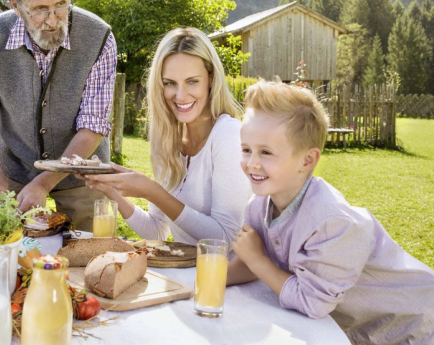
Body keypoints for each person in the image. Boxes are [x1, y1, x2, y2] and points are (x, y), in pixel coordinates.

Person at [229, 79, 434, 344]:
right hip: (359, 329)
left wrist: (256, 260)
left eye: (266, 152)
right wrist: (202, 283)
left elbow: (311, 301)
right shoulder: (258, 207)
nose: (252, 163)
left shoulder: (332, 221)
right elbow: (252, 262)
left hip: (416, 326)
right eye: (247, 150)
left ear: (307, 160)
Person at [0, 0, 117, 232]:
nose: (53, 19)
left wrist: (44, 182)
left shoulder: (99, 37)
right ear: (16, 6)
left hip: (84, 175)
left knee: (91, 257)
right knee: (14, 255)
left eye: (61, 5)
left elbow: (92, 126)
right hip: (15, 170)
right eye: (40, 9)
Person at [81, 27, 252, 245]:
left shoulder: (229, 135)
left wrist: (153, 192)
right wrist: (111, 190)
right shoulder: (167, 141)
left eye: (192, 81)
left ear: (210, 79)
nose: (180, 95)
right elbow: (156, 231)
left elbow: (227, 238)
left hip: (227, 277)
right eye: (170, 83)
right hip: (184, 271)